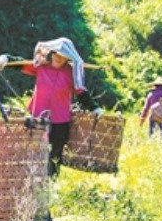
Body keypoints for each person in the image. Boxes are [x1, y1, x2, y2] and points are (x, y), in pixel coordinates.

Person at [20, 37, 102, 177]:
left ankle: (51, 184)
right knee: (34, 151)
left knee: (55, 155)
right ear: (52, 53)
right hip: (38, 118)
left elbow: (80, 91)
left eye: (63, 56)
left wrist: (94, 108)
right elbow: (20, 63)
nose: (59, 58)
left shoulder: (71, 72)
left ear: (67, 59)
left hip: (60, 120)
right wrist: (4, 59)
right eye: (57, 54)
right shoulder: (41, 67)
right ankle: (32, 183)